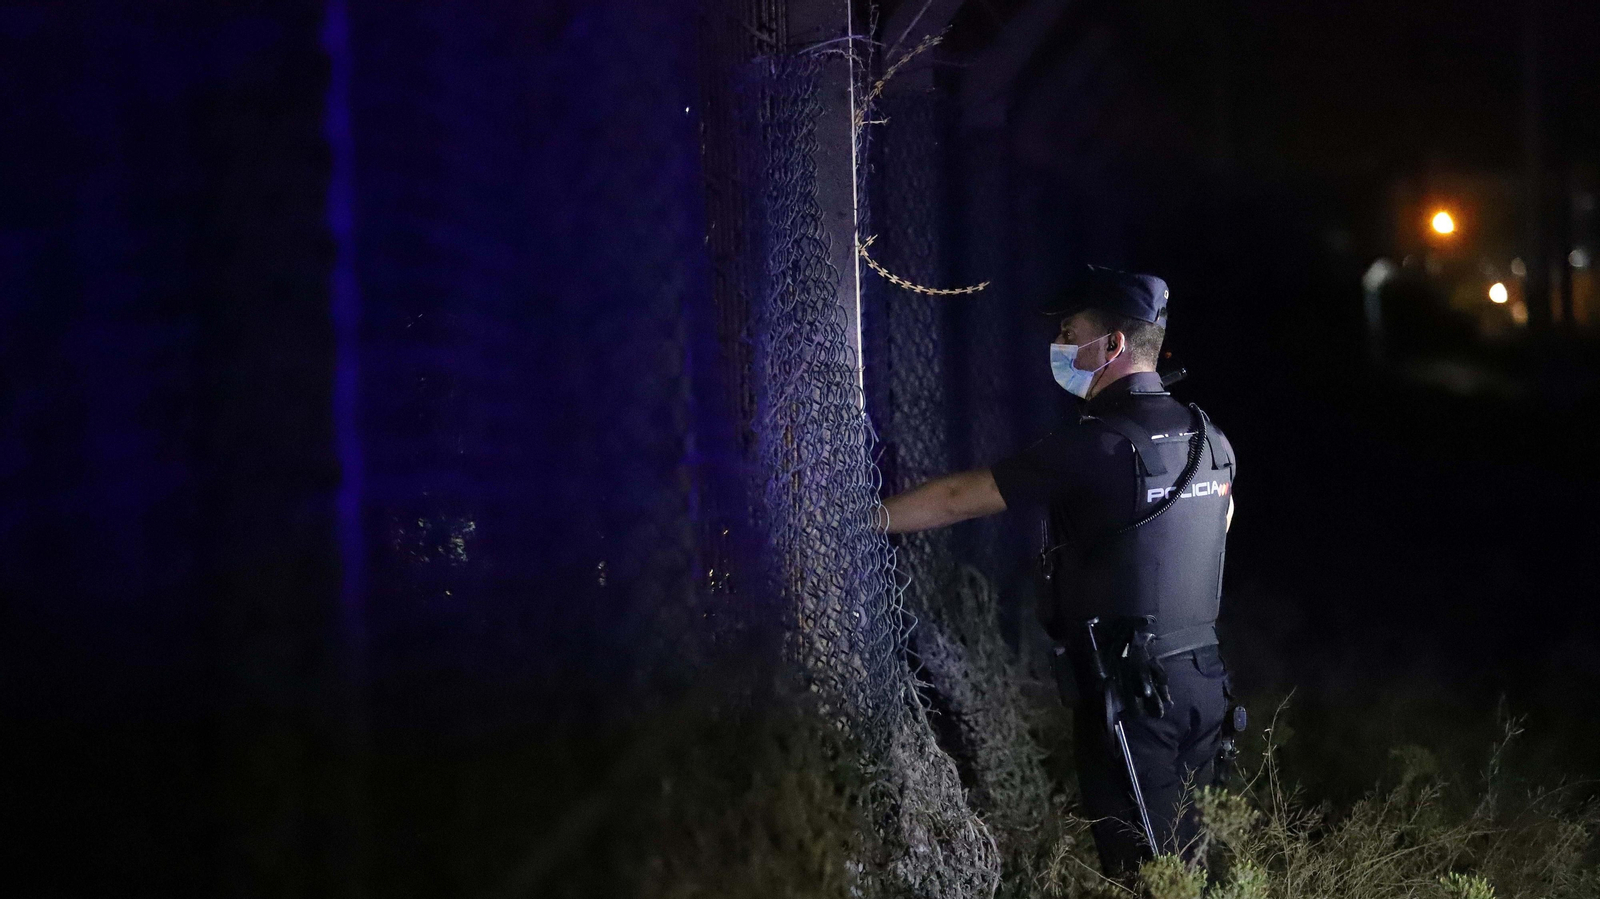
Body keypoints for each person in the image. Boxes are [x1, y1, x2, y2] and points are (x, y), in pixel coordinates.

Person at [877, 266, 1239, 877]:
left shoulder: (1097, 443)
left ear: (1113, 344)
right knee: (1198, 865)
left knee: (1145, 872)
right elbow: (1219, 520)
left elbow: (960, 497)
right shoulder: (1210, 438)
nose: (1060, 345)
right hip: (1205, 684)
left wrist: (862, 519)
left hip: (1132, 691)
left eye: (1070, 333)